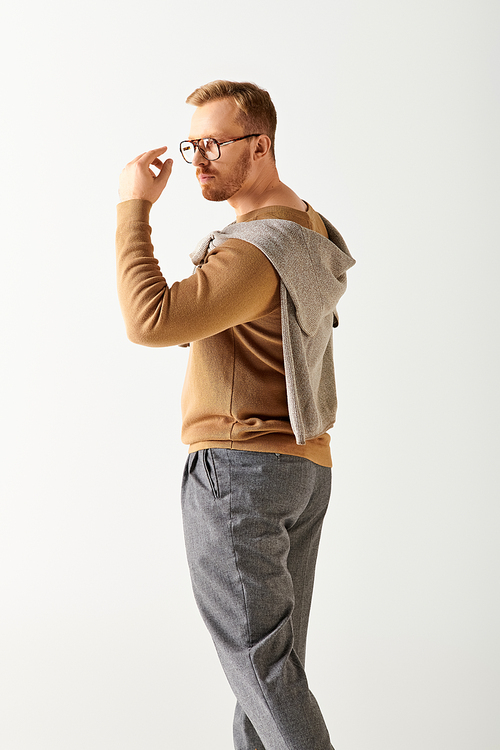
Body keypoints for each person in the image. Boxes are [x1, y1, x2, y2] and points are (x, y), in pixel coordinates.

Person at [116, 80, 355, 750]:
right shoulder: (307, 228)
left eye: (214, 143)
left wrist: (133, 210)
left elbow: (151, 319)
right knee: (268, 679)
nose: (198, 159)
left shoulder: (255, 248)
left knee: (263, 672)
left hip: (239, 473)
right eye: (193, 144)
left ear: (261, 146)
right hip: (300, 471)